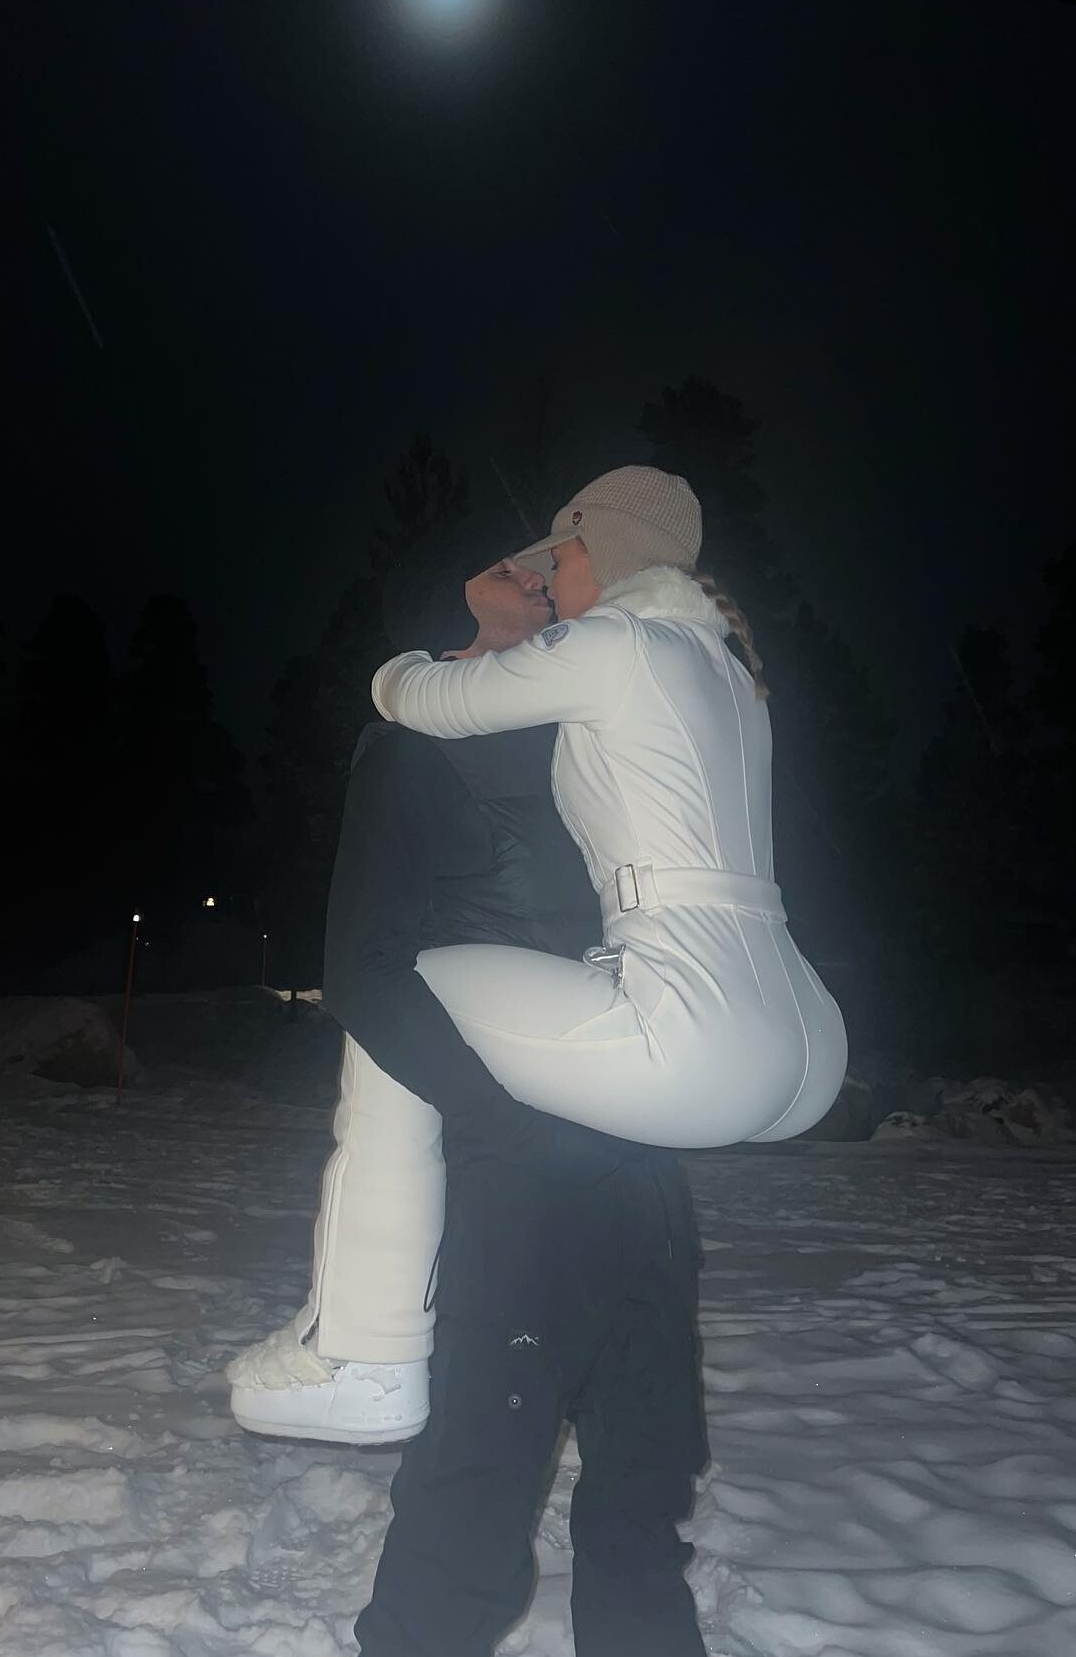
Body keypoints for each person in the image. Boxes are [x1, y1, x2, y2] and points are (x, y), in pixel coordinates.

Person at [229, 524, 710, 1654]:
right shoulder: (414, 751)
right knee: (472, 1507)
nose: (537, 577)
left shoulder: (594, 744)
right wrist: (501, 1123)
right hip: (515, 1181)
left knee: (646, 1490)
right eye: (511, 566)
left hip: (640, 1165)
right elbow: (363, 973)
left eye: (551, 568)